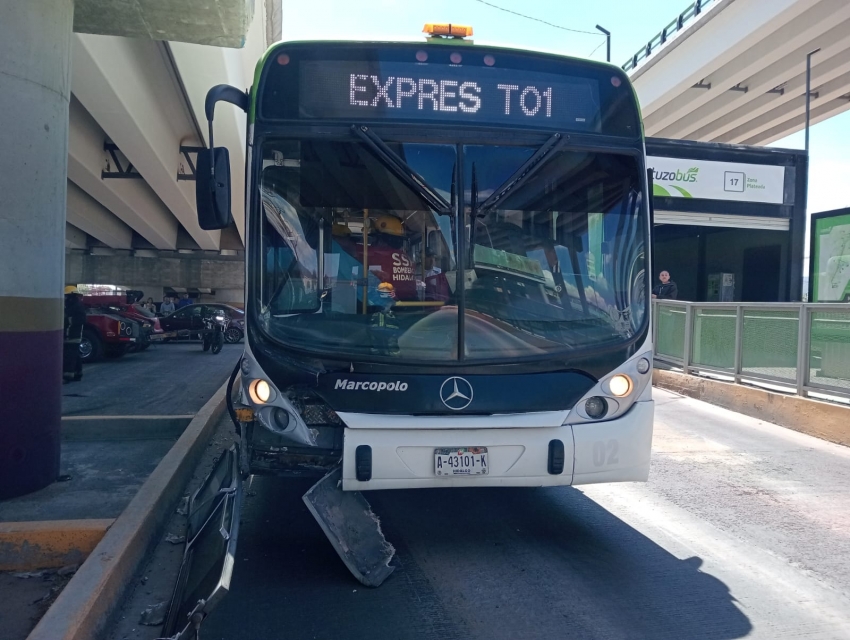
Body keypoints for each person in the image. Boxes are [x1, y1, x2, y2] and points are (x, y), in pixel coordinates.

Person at [63, 285, 86, 383]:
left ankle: (68, 376)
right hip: (72, 334)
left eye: (67, 296)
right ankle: (78, 373)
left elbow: (81, 319)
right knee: (75, 355)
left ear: (72, 296)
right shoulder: (73, 305)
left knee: (69, 355)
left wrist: (66, 320)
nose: (65, 298)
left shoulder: (76, 306)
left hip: (73, 335)